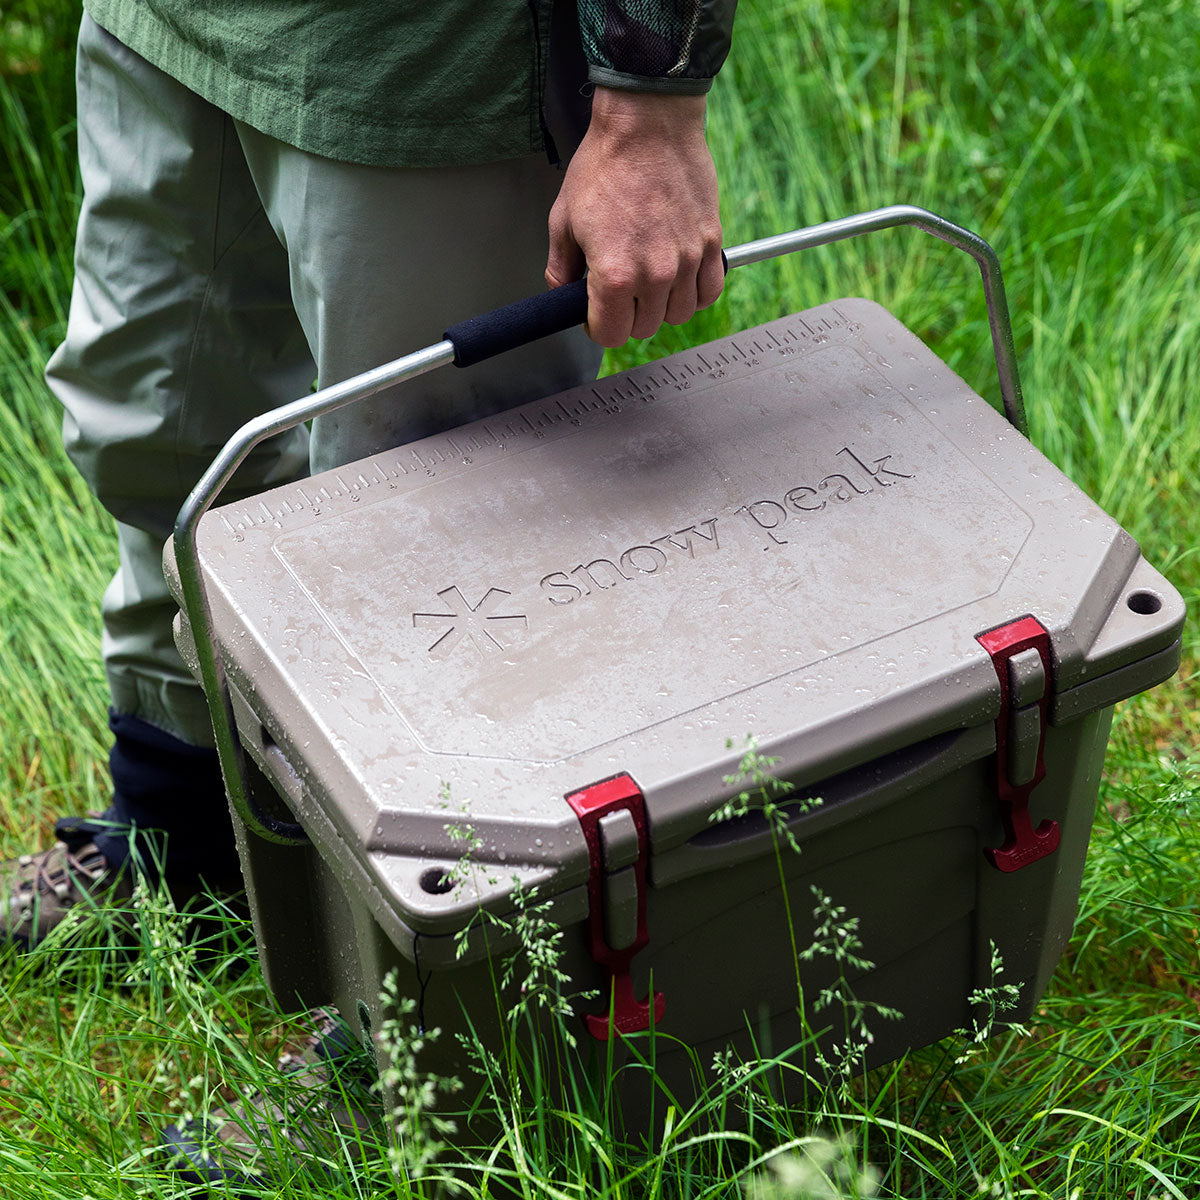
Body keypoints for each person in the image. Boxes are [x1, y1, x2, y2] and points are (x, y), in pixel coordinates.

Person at [2, 0, 735, 942]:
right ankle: (186, 843)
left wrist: (650, 95)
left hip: (429, 65)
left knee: (447, 543)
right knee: (163, 435)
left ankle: (434, 988)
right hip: (166, 25)